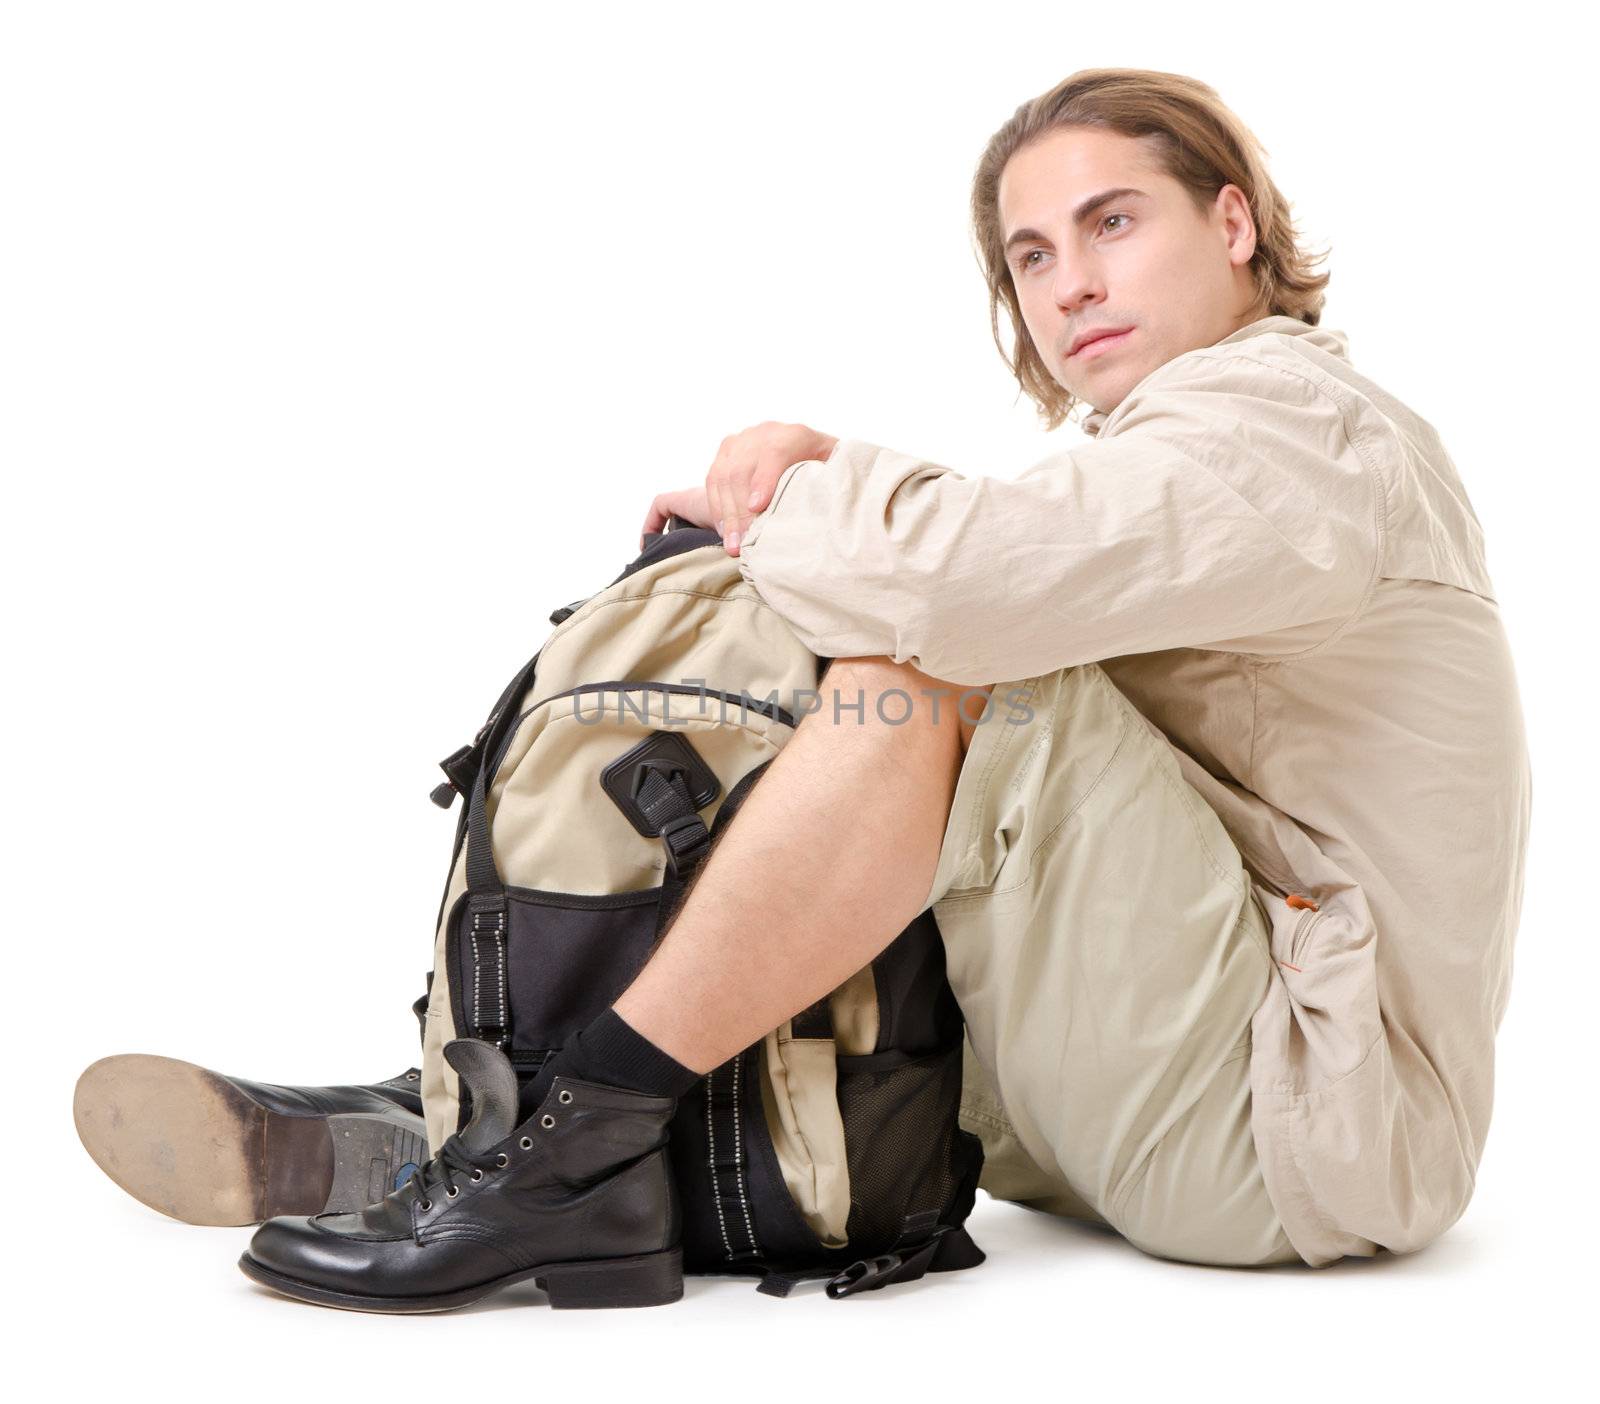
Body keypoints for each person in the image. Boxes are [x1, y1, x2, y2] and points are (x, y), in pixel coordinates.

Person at [76, 67, 1531, 1309]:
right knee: (905, 648)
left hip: (1309, 1124)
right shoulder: (1202, 453)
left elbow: (959, 594)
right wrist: (829, 510)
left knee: (926, 672)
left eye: (1112, 222)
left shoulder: (1293, 428)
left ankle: (580, 1123)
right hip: (1233, 1086)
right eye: (1029, 256)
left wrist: (794, 484)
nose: (1069, 280)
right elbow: (1010, 560)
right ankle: (512, 1100)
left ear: (1232, 224)